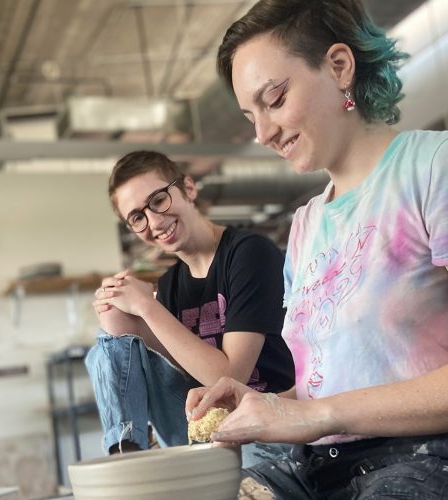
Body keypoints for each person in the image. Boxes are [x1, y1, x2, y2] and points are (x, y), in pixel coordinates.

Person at [186, 0, 448, 498]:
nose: (262, 133)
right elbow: (326, 385)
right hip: (315, 464)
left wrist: (312, 415)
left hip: (423, 461)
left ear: (339, 67)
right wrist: (264, 404)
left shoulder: (433, 168)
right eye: (250, 116)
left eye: (275, 98)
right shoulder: (306, 224)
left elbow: (325, 410)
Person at [85, 150, 295, 465]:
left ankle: (134, 461)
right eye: (137, 217)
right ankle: (126, 454)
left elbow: (229, 378)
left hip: (269, 428)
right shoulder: (171, 284)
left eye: (158, 200)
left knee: (131, 314)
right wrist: (120, 302)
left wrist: (146, 305)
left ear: (188, 188)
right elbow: (180, 370)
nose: (154, 222)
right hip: (206, 425)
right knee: (110, 324)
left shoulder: (249, 254)